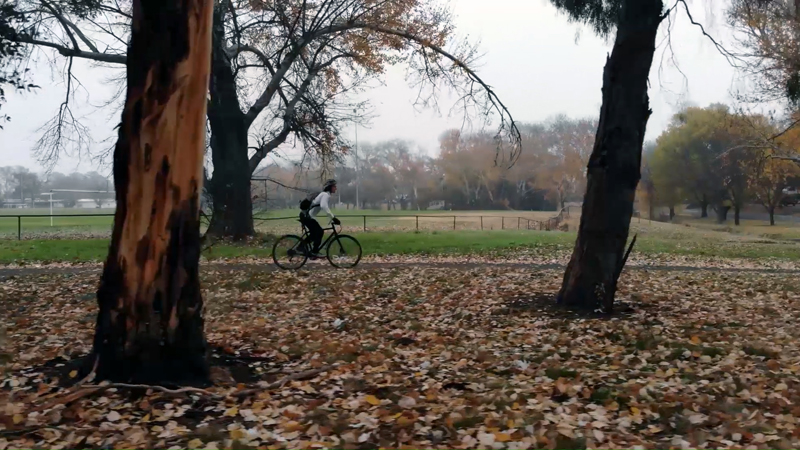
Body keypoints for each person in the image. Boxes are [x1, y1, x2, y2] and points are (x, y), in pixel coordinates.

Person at [301, 179, 340, 257]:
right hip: (307, 216)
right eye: (334, 186)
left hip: (306, 216)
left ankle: (304, 248)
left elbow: (324, 207)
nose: (336, 188)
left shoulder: (324, 195)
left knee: (315, 233)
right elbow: (324, 206)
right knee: (319, 232)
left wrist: (331, 217)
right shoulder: (325, 195)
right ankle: (312, 251)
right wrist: (333, 218)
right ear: (330, 187)